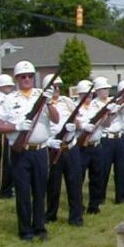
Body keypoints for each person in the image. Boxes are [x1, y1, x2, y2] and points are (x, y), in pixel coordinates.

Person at [0, 61, 58, 241]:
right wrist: (16, 126)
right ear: (17, 79)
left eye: (30, 76)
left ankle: (39, 227)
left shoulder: (42, 96)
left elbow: (56, 119)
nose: (27, 79)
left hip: (40, 150)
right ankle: (25, 230)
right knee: (22, 192)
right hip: (21, 151)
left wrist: (49, 102)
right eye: (23, 76)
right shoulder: (9, 99)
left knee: (40, 191)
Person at [43, 74, 84, 226]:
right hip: (53, 147)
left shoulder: (67, 101)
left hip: (70, 146)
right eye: (54, 86)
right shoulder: (43, 104)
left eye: (59, 86)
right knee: (53, 185)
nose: (57, 89)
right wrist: (48, 141)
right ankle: (51, 215)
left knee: (74, 183)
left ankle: (76, 217)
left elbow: (77, 119)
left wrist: (76, 127)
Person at [75, 80, 103, 215]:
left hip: (96, 145)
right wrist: (82, 126)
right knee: (78, 178)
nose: (89, 96)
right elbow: (74, 123)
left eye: (91, 94)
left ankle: (94, 205)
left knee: (97, 177)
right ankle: (78, 205)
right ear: (80, 94)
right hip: (81, 148)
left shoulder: (97, 107)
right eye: (86, 94)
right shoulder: (75, 107)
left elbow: (106, 123)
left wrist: (110, 114)